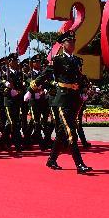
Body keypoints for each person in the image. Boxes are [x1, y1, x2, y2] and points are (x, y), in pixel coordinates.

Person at [33, 31, 92, 174]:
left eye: (73, 41)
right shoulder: (58, 59)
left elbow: (80, 77)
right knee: (71, 131)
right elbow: (46, 73)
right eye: (69, 41)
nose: (72, 44)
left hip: (75, 99)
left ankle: (51, 159)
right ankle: (79, 164)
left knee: (61, 133)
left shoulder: (77, 60)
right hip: (62, 99)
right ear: (63, 44)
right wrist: (32, 87)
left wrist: (86, 89)